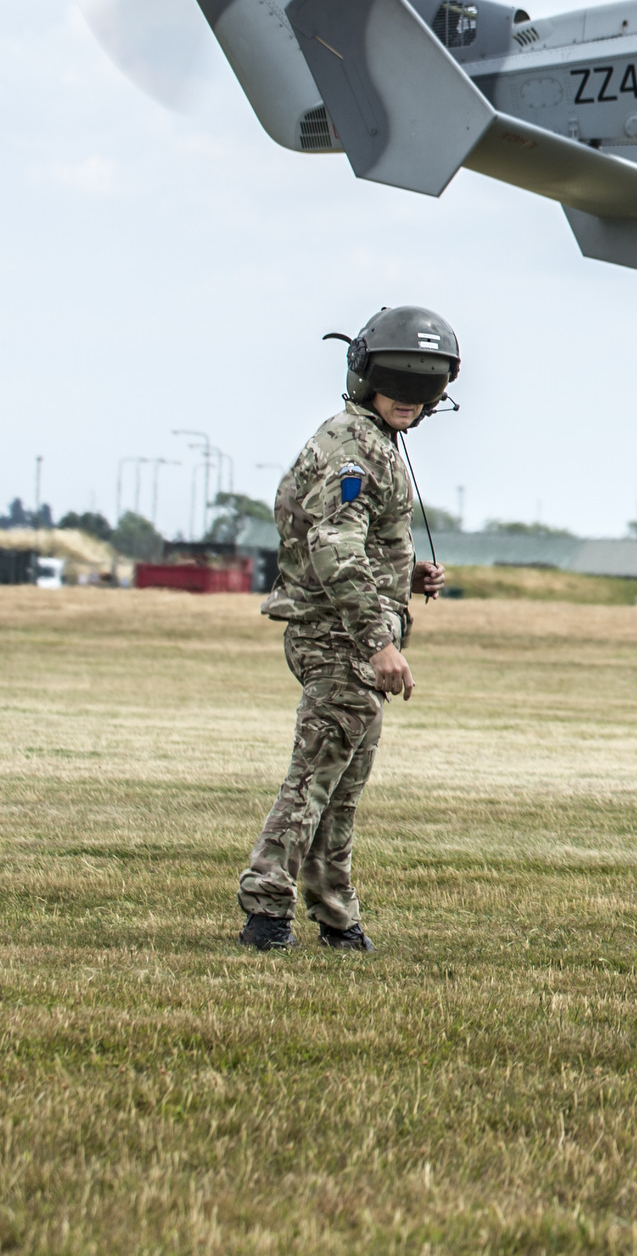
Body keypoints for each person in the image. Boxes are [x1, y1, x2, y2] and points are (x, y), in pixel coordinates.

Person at [235, 307, 457, 951]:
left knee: (340, 784)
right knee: (314, 779)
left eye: (425, 387)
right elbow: (333, 546)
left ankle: (334, 914)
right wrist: (379, 642)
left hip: (346, 628)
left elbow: (338, 539)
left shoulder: (371, 441)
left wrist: (404, 574)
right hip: (340, 638)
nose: (410, 399)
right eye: (397, 382)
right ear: (365, 376)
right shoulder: (356, 445)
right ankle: (267, 906)